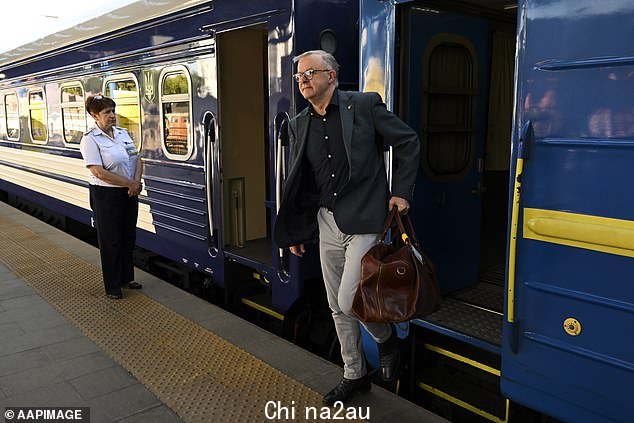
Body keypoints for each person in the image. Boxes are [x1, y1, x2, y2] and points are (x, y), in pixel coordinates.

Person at [273, 50, 420, 404]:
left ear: (332, 76)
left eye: (310, 73)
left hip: (366, 220)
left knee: (348, 298)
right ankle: (354, 374)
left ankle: (387, 341)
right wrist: (296, 231)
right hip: (327, 222)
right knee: (335, 306)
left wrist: (400, 193)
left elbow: (408, 141)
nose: (303, 80)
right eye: (299, 76)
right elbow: (302, 183)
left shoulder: (365, 106)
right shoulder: (298, 124)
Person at [80, 95, 144, 299]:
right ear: (94, 115)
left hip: (128, 192)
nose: (112, 115)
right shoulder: (90, 139)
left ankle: (126, 277)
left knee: (127, 236)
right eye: (107, 112)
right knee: (111, 240)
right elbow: (98, 172)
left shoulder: (122, 134)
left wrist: (136, 181)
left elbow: (137, 158)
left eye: (112, 111)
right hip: (106, 195)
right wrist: (129, 183)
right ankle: (112, 286)